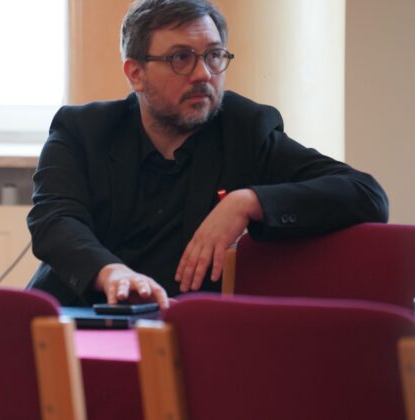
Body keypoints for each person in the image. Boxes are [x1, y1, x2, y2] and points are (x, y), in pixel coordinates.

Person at [27, 0, 388, 308]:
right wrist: (111, 272)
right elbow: (54, 221)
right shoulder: (83, 130)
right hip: (75, 320)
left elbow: (367, 195)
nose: (203, 74)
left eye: (214, 56)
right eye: (181, 58)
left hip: (183, 335)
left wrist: (248, 201)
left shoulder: (245, 130)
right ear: (136, 73)